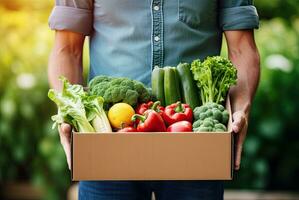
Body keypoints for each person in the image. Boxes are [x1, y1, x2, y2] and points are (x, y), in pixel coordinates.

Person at [48, 0, 260, 199]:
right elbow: (67, 49)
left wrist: (241, 108)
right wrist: (68, 108)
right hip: (107, 143)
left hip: (195, 141)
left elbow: (242, 48)